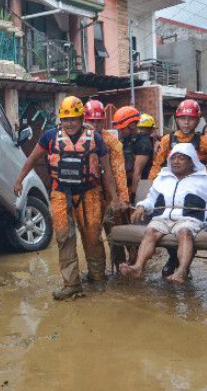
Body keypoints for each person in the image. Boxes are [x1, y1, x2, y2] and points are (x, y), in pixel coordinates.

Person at [14, 96, 126, 300]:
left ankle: (97, 277)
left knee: (92, 236)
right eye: (66, 119)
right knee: (64, 238)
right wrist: (19, 180)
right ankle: (72, 283)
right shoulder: (49, 137)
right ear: (61, 120)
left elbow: (107, 171)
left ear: (82, 118)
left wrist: (115, 198)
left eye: (74, 118)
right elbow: (32, 158)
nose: (70, 123)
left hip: (90, 193)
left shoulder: (96, 139)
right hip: (60, 193)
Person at [120, 143, 207, 284]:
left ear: (191, 160)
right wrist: (141, 206)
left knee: (184, 233)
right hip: (162, 217)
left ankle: (181, 271)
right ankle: (138, 267)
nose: (176, 162)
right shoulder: (162, 178)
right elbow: (151, 199)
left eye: (181, 158)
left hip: (188, 219)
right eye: (173, 158)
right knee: (151, 231)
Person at [147, 99, 207, 277]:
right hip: (172, 188)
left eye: (191, 119)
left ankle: (182, 266)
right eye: (183, 118)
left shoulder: (205, 141)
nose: (186, 123)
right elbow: (157, 166)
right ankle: (174, 260)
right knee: (166, 219)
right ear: (177, 119)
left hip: (195, 191)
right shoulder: (166, 140)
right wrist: (152, 187)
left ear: (198, 120)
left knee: (186, 226)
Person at [84, 98, 129, 270]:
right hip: (88, 196)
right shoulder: (75, 139)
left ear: (103, 120)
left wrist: (122, 198)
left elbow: (119, 172)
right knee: (91, 235)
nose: (94, 125)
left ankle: (120, 268)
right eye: (91, 121)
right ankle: (96, 271)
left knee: (114, 234)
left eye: (98, 121)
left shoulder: (112, 142)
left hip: (110, 196)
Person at [113, 106, 154, 200]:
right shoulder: (125, 139)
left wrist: (133, 195)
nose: (120, 131)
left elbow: (137, 173)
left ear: (132, 125)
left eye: (123, 128)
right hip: (126, 184)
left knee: (138, 212)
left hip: (142, 185)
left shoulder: (143, 142)